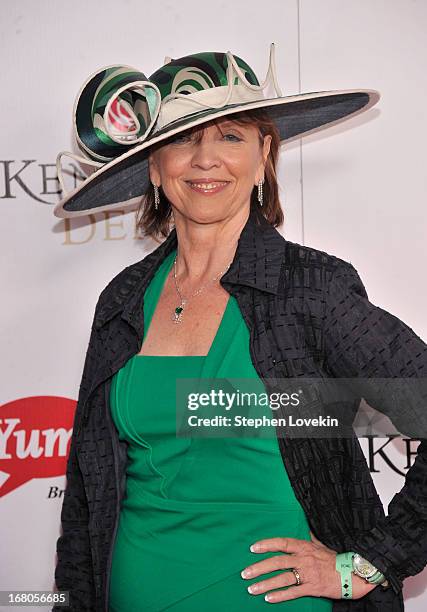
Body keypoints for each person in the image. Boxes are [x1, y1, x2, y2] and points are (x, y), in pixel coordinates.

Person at [52, 45, 427, 611]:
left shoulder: (313, 289)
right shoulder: (122, 301)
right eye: (182, 138)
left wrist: (371, 563)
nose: (206, 159)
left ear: (264, 157)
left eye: (231, 136)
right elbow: (86, 493)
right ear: (153, 164)